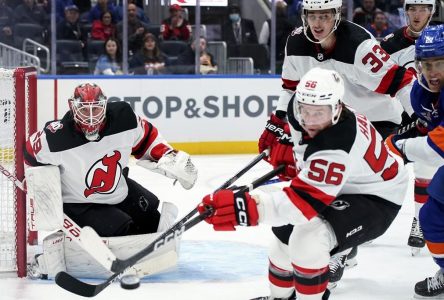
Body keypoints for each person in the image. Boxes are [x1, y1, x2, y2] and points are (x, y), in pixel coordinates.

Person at [200, 67, 409, 300]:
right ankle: (281, 297)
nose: (309, 120)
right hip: (346, 183)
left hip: (378, 198)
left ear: (338, 108)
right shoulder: (300, 111)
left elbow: (300, 206)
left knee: (308, 241)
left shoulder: (338, 144)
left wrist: (244, 208)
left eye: (318, 113)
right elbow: (306, 146)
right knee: (283, 238)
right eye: (304, 111)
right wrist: (300, 162)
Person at [257, 0, 415, 289]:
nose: (318, 23)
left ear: (337, 16)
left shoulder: (359, 46)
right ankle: (342, 244)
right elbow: (291, 88)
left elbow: (402, 80)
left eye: (325, 16)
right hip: (331, 123)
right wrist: (277, 122)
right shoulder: (296, 42)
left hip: (376, 123)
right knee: (325, 184)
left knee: (341, 184)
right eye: (313, 16)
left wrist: (419, 117)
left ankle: (339, 249)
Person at [24, 83, 198, 279]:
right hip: (81, 204)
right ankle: (48, 260)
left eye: (96, 108)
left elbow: (147, 138)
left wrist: (167, 155)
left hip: (120, 192)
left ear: (105, 105)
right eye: (84, 109)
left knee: (153, 221)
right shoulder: (55, 138)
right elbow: (29, 155)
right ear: (73, 107)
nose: (91, 116)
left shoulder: (124, 119)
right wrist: (36, 185)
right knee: (124, 235)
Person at [384, 25, 444, 298]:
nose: (433, 72)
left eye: (440, 64)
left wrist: (400, 147)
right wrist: (402, 136)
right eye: (427, 64)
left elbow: (436, 147)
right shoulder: (422, 92)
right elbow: (427, 127)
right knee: (432, 217)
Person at [380, 0, 436, 256]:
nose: (417, 14)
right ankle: (365, 219)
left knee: (425, 169)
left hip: (431, 115)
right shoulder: (389, 44)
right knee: (375, 169)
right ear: (405, 11)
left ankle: (419, 221)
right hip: (397, 118)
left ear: (432, 11)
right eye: (412, 8)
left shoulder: (440, 37)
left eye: (423, 8)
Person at [259, 0, 294, 68]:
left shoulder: (268, 23)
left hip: (273, 62)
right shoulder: (292, 24)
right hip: (289, 62)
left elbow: (262, 43)